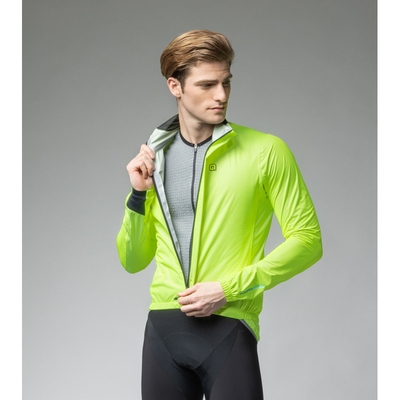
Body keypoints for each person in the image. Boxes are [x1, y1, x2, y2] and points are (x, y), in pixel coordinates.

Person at [116, 29, 322, 400]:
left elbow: (308, 242)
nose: (221, 95)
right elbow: (133, 261)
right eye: (207, 85)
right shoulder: (155, 158)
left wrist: (228, 289)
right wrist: (138, 194)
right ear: (175, 86)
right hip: (163, 328)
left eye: (226, 82)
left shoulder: (266, 151)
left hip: (228, 325)